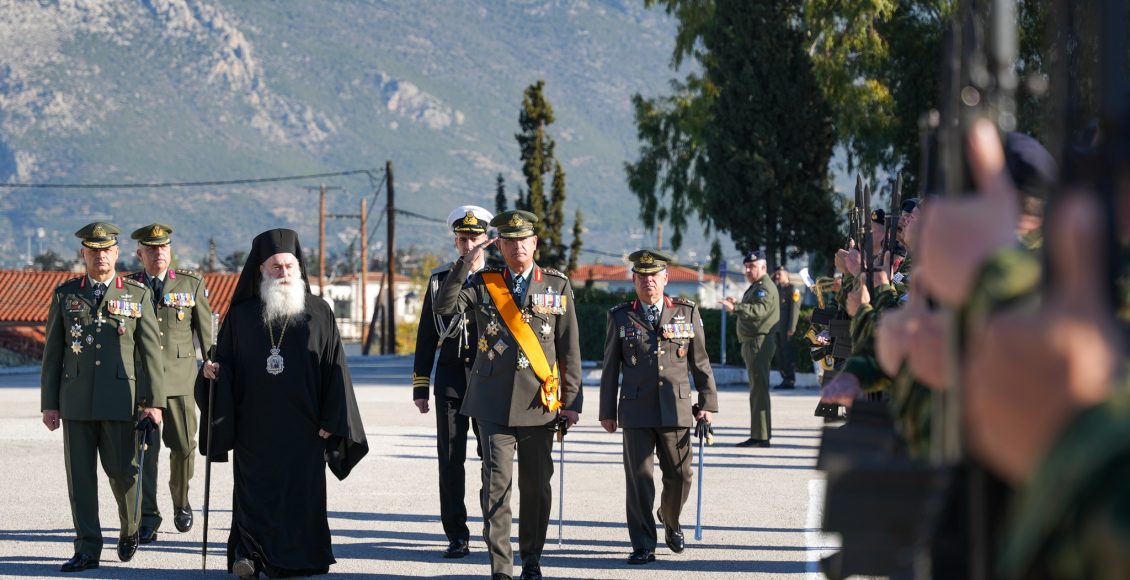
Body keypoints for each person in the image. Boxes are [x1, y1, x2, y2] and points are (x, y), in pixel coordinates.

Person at [198, 228, 368, 578]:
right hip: (253, 426)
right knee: (253, 493)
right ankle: (249, 556)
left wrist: (332, 417)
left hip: (305, 426)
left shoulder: (319, 312)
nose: (284, 274)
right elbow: (223, 364)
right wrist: (212, 372)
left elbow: (336, 369)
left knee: (300, 494)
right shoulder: (242, 315)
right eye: (276, 267)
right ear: (261, 270)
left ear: (299, 268)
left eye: (289, 266)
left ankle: (302, 556)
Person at [433, 209, 582, 580]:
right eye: (509, 241)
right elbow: (444, 306)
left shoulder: (557, 286)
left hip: (540, 404)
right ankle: (501, 567)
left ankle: (531, 559)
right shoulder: (483, 282)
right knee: (496, 488)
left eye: (524, 240)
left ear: (534, 243)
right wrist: (465, 263)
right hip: (492, 402)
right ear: (499, 244)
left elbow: (569, 348)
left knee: (536, 488)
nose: (517, 247)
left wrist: (573, 402)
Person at [41, 222, 166, 572]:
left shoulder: (136, 295)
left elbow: (150, 356)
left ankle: (129, 529)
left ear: (116, 253)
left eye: (106, 250)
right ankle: (87, 548)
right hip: (76, 401)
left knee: (124, 473)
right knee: (80, 478)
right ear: (84, 254)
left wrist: (153, 403)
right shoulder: (66, 295)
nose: (100, 256)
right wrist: (50, 404)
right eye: (93, 251)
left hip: (121, 400)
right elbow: (53, 353)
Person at [599, 249, 718, 565]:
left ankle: (670, 517)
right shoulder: (620, 316)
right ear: (634, 279)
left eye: (654, 275)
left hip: (676, 408)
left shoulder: (686, 312)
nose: (648, 280)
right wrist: (607, 412)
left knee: (680, 475)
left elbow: (700, 363)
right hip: (636, 409)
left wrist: (707, 404)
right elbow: (610, 368)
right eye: (642, 275)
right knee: (638, 478)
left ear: (666, 278)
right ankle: (642, 544)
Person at [411, 205, 492, 559]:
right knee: (450, 458)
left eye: (474, 237)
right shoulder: (439, 279)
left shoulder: (499, 277)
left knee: (493, 458)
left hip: (491, 379)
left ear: (486, 240)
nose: (468, 244)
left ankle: (495, 528)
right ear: (456, 241)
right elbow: (426, 333)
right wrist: (420, 383)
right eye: (462, 238)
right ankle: (456, 534)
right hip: (451, 378)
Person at [127, 223, 213, 545]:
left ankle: (181, 501)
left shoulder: (190, 284)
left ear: (170, 250)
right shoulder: (129, 288)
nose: (158, 253)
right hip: (144, 384)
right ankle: (148, 517)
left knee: (184, 448)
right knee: (144, 453)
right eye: (151, 248)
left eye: (163, 247)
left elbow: (206, 333)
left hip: (180, 382)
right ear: (140, 254)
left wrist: (211, 362)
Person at [720, 250, 779, 447]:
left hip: (758, 343)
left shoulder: (765, 288)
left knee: (759, 390)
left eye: (752, 266)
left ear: (763, 267)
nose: (747, 270)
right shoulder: (757, 287)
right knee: (757, 389)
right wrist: (736, 304)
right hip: (754, 342)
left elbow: (759, 312)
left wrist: (735, 308)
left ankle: (761, 436)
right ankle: (759, 434)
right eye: (746, 267)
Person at [771, 266, 801, 390]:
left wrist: (792, 327)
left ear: (787, 274)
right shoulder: (776, 288)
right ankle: (784, 378)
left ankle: (790, 379)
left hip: (786, 328)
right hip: (776, 327)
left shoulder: (793, 289)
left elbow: (795, 310)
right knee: (779, 354)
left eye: (780, 274)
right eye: (776, 274)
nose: (778, 276)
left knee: (787, 353)